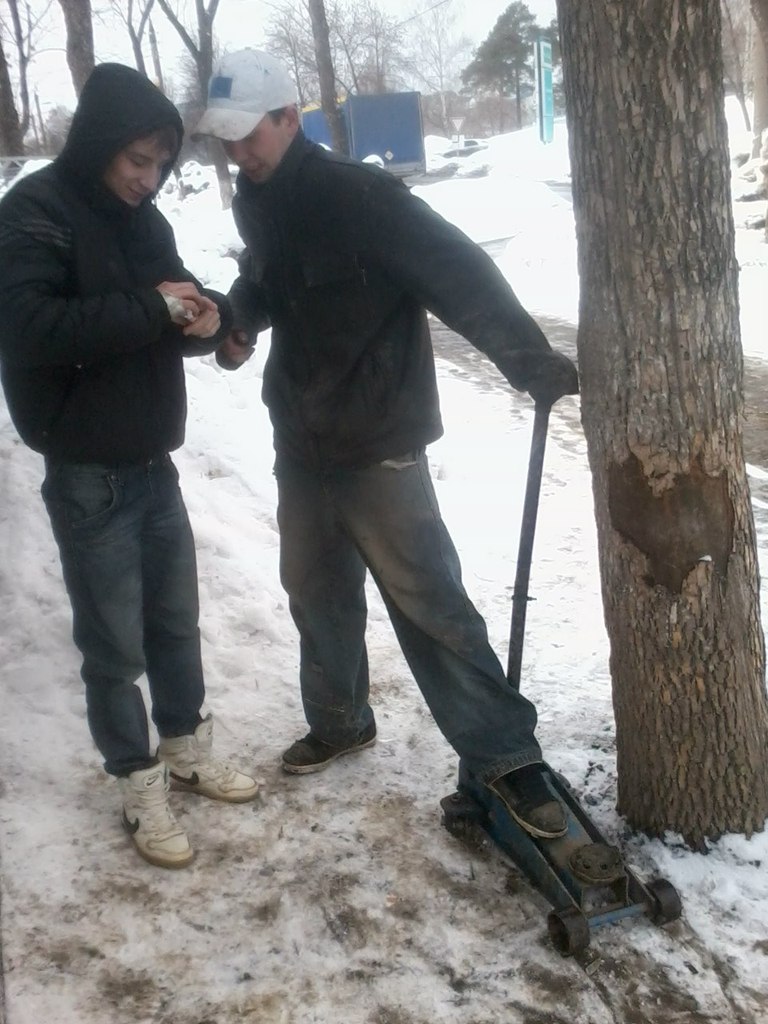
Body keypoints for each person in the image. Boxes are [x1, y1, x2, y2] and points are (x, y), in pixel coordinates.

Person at [195, 49, 579, 840]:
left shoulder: (361, 197)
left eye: (247, 136)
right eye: (225, 140)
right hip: (302, 442)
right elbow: (268, 282)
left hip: (378, 446)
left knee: (431, 608)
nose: (237, 153)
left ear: (287, 118)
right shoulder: (258, 202)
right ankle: (341, 720)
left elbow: (456, 269)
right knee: (315, 592)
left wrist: (524, 356)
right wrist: (237, 321)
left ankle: (507, 759)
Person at [0, 63, 260, 870]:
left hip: (154, 460)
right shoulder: (35, 211)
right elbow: (31, 325)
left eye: (160, 164)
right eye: (136, 161)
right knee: (115, 647)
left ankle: (184, 745)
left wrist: (213, 320)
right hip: (87, 471)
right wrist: (155, 308)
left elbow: (169, 304)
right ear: (100, 143)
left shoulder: (143, 220)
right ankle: (136, 779)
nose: (148, 180)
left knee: (175, 624)